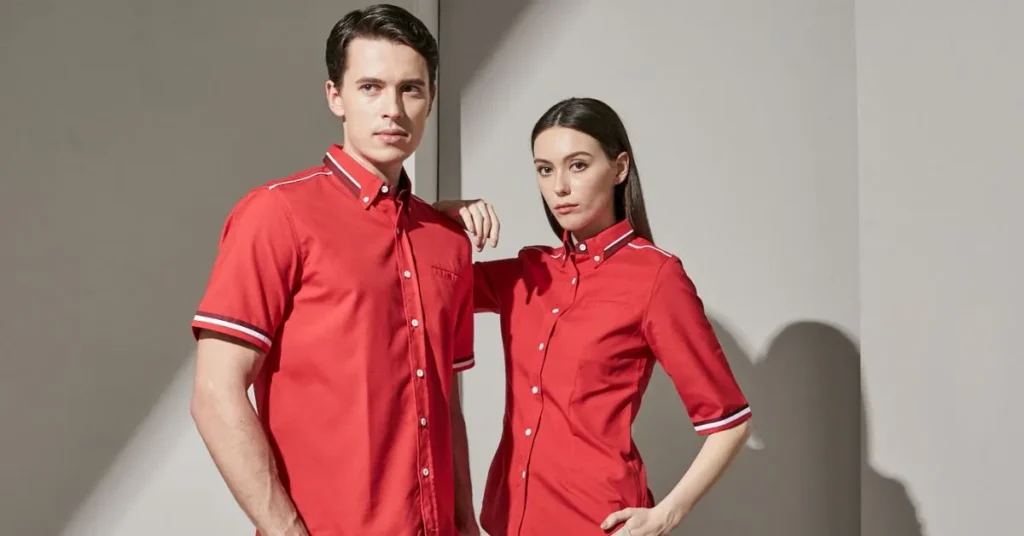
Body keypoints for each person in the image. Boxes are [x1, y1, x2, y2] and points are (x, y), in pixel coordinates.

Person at [188, 5, 478, 535]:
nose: (393, 108)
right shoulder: (277, 214)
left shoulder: (449, 242)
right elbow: (214, 392)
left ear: (431, 101)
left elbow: (447, 408)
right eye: (371, 87)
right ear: (335, 97)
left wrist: (466, 524)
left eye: (411, 89)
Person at [435, 97, 752, 535]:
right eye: (545, 169)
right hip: (511, 521)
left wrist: (665, 517)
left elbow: (730, 422)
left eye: (578, 165)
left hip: (596, 521)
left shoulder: (656, 277)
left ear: (619, 168)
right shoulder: (529, 272)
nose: (559, 186)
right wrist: (441, 215)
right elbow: (423, 283)